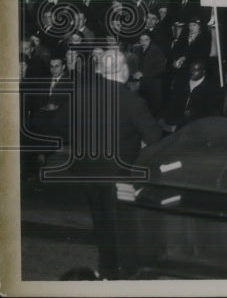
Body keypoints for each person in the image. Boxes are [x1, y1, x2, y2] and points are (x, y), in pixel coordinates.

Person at [63, 48, 162, 279]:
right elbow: (155, 138)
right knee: (121, 228)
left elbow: (60, 125)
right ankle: (122, 276)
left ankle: (107, 271)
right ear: (123, 70)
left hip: (87, 171)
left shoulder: (81, 93)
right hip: (117, 175)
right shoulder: (132, 101)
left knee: (102, 224)